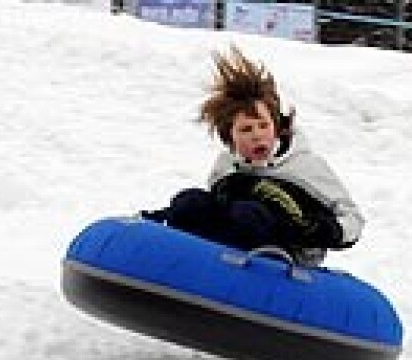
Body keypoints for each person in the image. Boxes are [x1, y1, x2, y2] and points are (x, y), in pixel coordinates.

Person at [140, 46, 364, 266]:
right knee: (190, 201)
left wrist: (325, 230)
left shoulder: (305, 166)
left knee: (248, 214)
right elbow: (215, 208)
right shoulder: (226, 166)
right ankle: (182, 265)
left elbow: (352, 217)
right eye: (246, 130)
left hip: (289, 252)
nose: (257, 136)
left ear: (276, 127)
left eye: (263, 126)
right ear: (231, 137)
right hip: (232, 242)